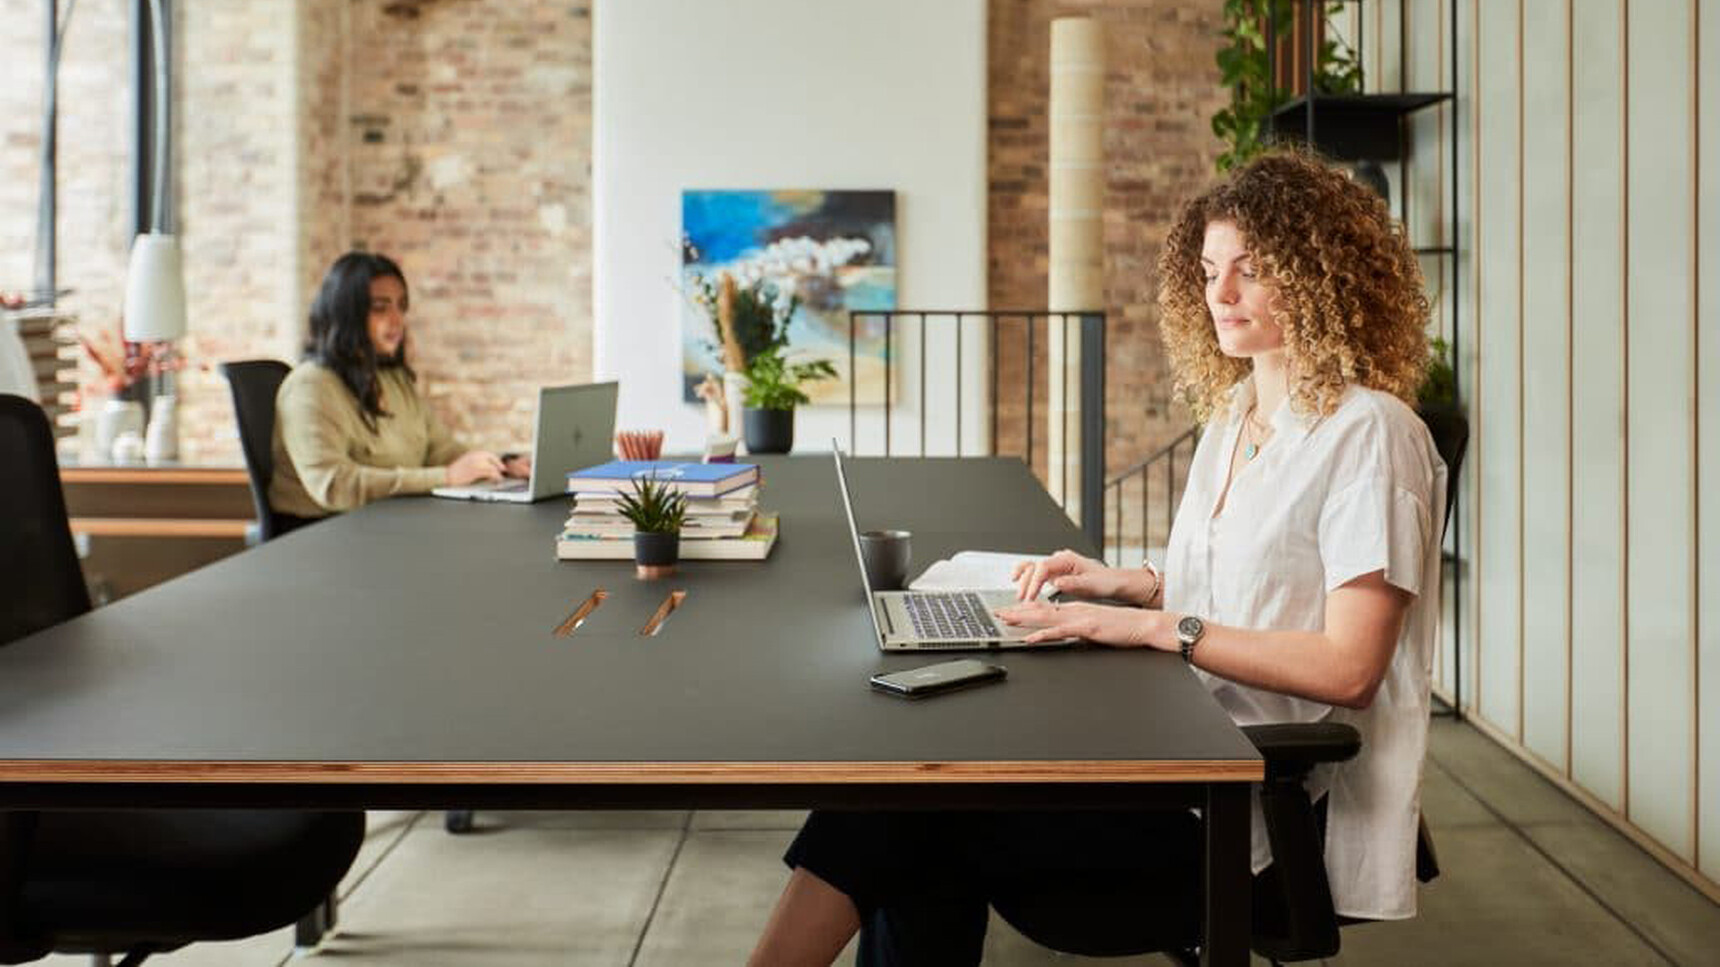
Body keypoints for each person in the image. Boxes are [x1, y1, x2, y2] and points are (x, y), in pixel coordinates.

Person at [747, 150, 1447, 967]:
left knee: (910, 812)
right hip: (1171, 750)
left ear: (1320, 275)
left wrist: (1155, 628)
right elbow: (1260, 584)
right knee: (905, 800)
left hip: (1245, 813)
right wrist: (1130, 584)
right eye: (1210, 270)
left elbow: (1349, 665)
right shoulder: (1237, 415)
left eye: (1251, 271)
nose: (1220, 294)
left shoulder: (1372, 433)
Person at [269, 252, 527, 531]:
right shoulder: (310, 386)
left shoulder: (393, 379)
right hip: (323, 533)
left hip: (386, 523)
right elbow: (334, 485)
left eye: (401, 307)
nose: (397, 319)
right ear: (346, 314)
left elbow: (441, 449)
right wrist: (447, 477)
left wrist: (499, 466)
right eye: (380, 308)